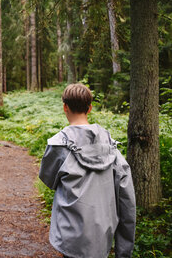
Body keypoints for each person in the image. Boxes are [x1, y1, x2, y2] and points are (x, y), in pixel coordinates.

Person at [39, 83, 136, 258]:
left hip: (70, 235)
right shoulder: (111, 148)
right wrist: (124, 250)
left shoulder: (58, 145)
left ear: (65, 107)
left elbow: (48, 179)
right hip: (103, 234)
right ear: (90, 108)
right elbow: (126, 199)